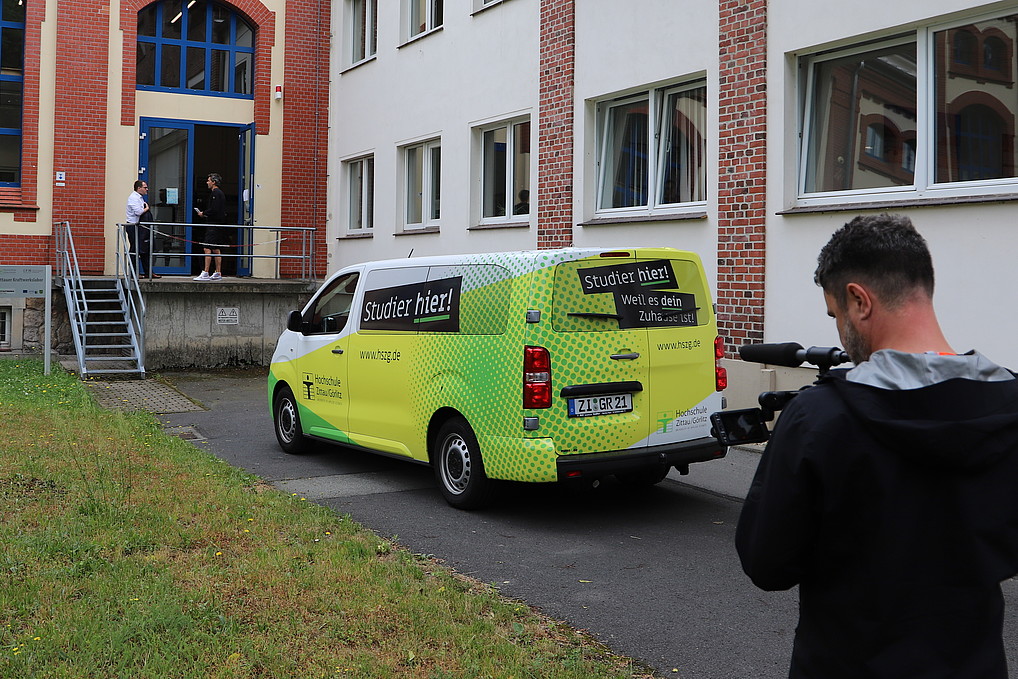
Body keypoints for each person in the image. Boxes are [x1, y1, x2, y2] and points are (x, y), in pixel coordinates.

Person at [735, 213, 1018, 679]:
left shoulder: (819, 418)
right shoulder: (1008, 406)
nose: (839, 334)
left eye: (835, 315)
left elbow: (768, 564)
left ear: (858, 300)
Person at [193, 173, 228, 281]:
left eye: (208, 180)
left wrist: (204, 213)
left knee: (207, 248)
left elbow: (214, 209)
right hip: (217, 224)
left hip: (213, 224)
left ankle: (206, 272)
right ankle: (218, 272)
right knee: (216, 248)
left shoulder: (216, 193)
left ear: (214, 182)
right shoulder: (219, 193)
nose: (207, 182)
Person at [124, 180, 159, 278]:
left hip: (140, 227)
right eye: (145, 187)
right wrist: (147, 208)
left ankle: (148, 272)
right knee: (135, 249)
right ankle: (134, 273)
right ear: (139, 188)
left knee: (145, 249)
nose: (147, 189)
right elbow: (138, 212)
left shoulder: (139, 198)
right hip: (133, 226)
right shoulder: (133, 198)